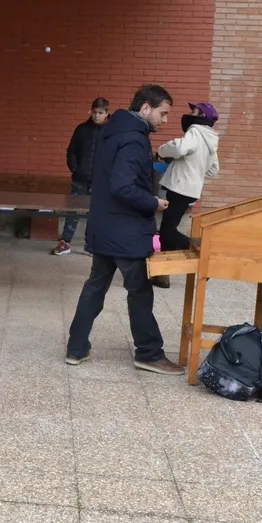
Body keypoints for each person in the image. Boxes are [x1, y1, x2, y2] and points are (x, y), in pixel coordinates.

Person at [65, 84, 184, 376]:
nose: (165, 120)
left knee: (96, 285)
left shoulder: (112, 132)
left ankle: (76, 348)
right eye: (163, 113)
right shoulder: (134, 139)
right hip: (126, 230)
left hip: (105, 226)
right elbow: (123, 186)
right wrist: (153, 202)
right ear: (145, 108)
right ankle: (149, 353)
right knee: (140, 291)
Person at [151, 102, 221, 288]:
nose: (190, 113)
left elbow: (180, 148)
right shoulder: (210, 139)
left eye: (194, 111)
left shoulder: (195, 131)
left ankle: (202, 254)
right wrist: (194, 172)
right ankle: (163, 276)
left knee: (167, 232)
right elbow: (213, 169)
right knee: (167, 230)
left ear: (202, 116)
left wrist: (161, 151)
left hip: (179, 188)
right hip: (189, 189)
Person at [52, 97, 109, 255]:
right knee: (73, 211)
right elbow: (71, 151)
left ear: (106, 113)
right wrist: (75, 169)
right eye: (94, 112)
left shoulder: (110, 132)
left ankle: (90, 244)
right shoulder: (82, 129)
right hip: (79, 178)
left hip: (100, 181)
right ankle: (65, 243)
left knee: (95, 212)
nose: (96, 116)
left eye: (100, 113)